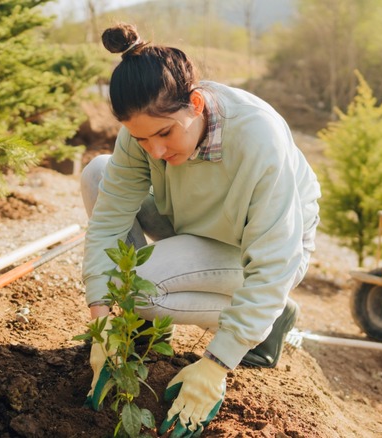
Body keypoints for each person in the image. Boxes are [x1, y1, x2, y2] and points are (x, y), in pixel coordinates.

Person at [80, 23, 321, 436]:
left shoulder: (258, 136)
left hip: (266, 249)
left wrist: (215, 364)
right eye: (141, 140)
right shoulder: (144, 131)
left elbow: (276, 258)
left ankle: (270, 321)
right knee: (98, 174)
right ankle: (138, 329)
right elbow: (108, 222)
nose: (155, 151)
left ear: (195, 103)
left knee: (138, 284)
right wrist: (102, 322)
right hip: (195, 224)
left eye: (164, 134)